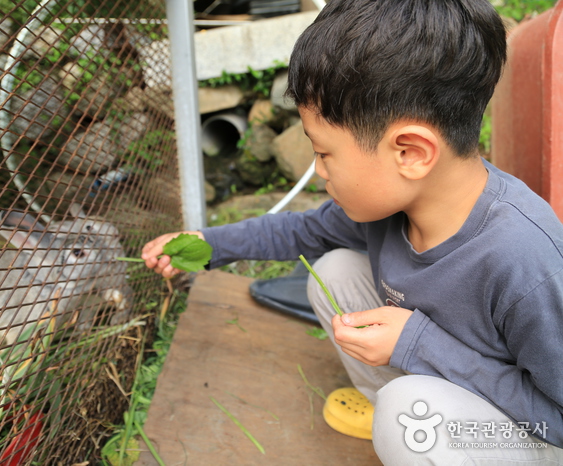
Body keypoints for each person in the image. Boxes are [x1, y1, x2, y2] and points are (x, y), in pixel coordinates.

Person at [141, 0, 563, 463]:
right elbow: (301, 232)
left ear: (410, 152)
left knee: (407, 414)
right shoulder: (389, 206)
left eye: (324, 154)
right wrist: (210, 244)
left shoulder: (524, 260)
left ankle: (411, 427)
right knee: (336, 271)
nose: (319, 171)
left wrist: (418, 343)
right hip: (442, 380)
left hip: (529, 435)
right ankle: (401, 419)